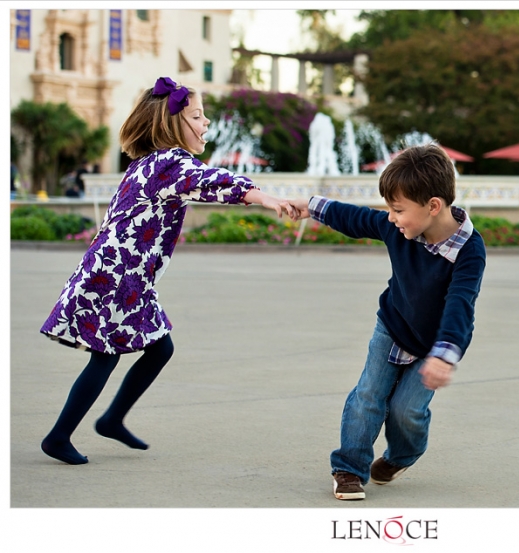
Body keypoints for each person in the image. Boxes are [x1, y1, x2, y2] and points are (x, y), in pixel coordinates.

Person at [39, 77, 297, 465]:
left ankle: (111, 419)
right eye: (197, 115)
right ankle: (58, 437)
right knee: (105, 356)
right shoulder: (170, 163)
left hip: (125, 275)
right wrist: (261, 196)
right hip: (117, 276)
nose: (206, 122)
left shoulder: (148, 162)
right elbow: (212, 181)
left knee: (160, 347)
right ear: (172, 122)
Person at [290, 144, 486, 500]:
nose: (392, 218)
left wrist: (444, 355)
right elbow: (358, 219)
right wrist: (313, 207)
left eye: (398, 210)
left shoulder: (469, 250)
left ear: (433, 206)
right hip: (393, 327)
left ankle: (402, 456)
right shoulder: (398, 228)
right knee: (369, 395)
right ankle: (349, 467)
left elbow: (460, 304)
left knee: (406, 411)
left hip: (435, 345)